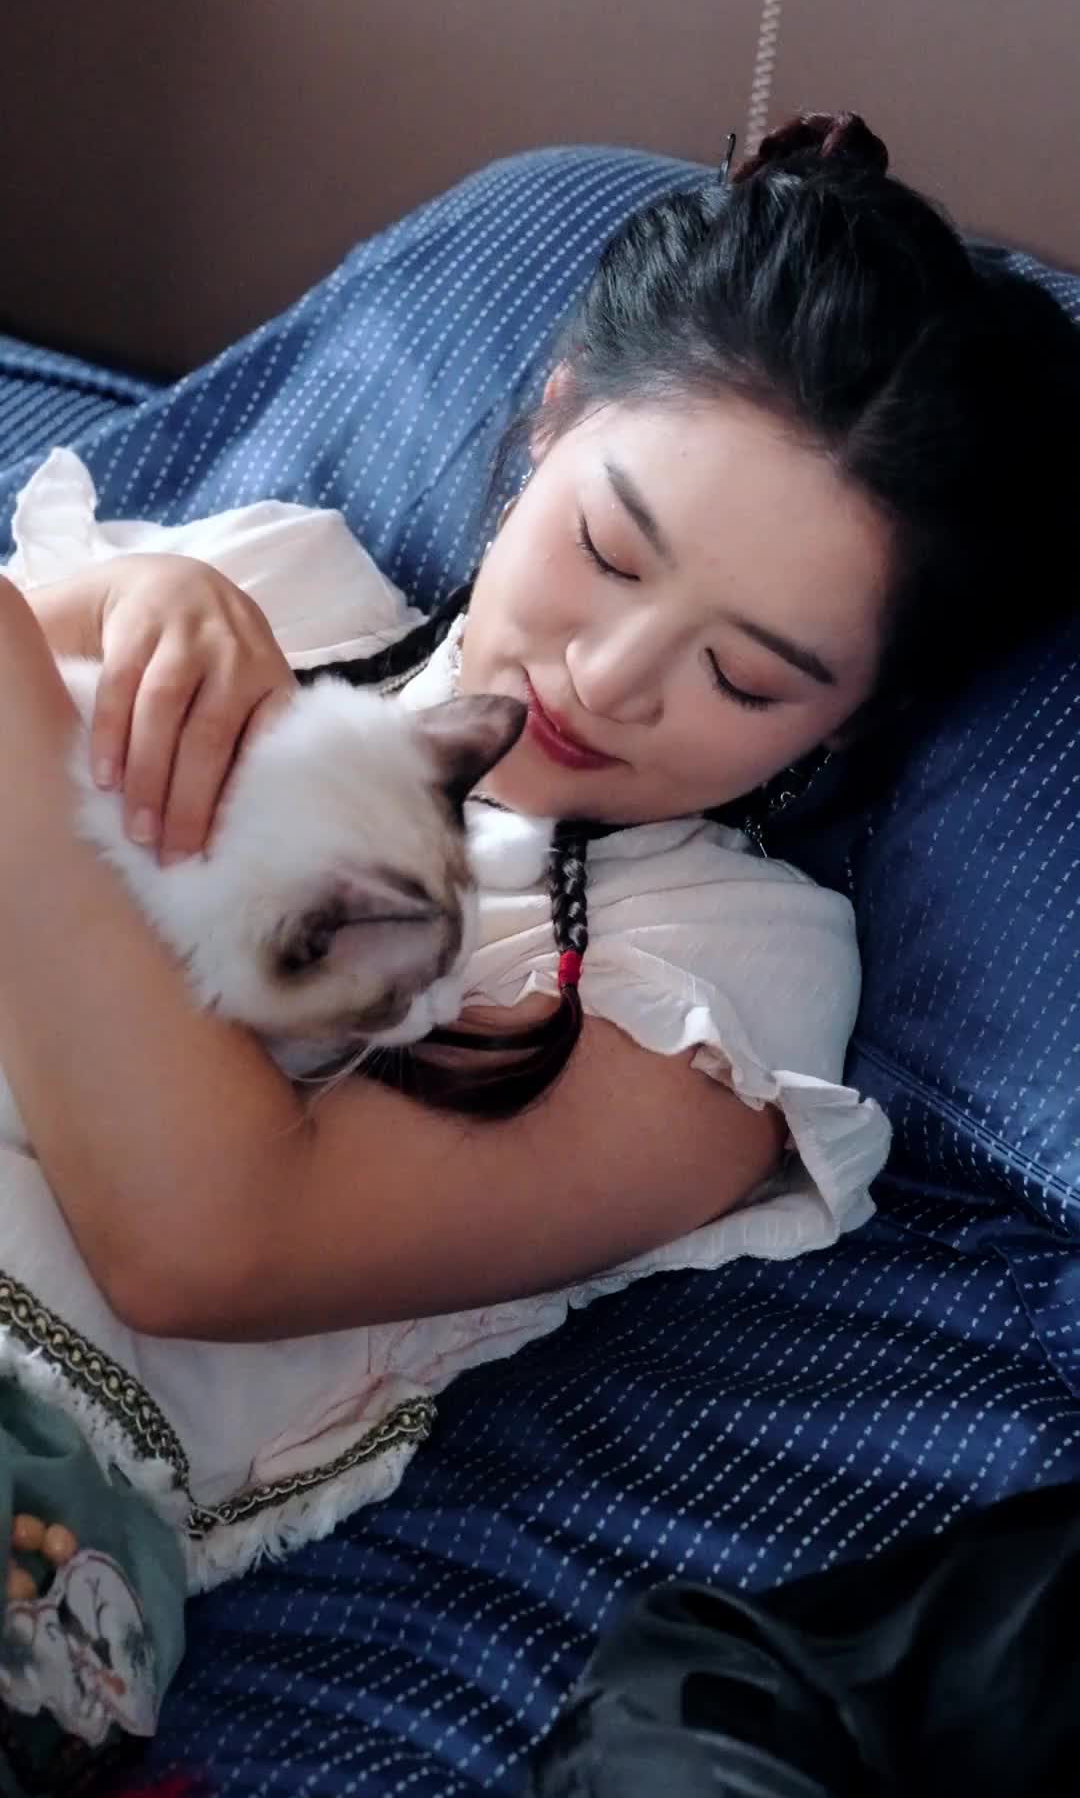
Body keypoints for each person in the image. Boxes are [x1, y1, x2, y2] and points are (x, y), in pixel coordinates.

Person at [0, 111, 1076, 1351]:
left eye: (741, 676)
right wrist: (104, 601)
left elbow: (215, 1248)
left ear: (861, 713)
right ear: (552, 420)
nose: (607, 681)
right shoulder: (280, 581)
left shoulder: (719, 966)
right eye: (606, 552)